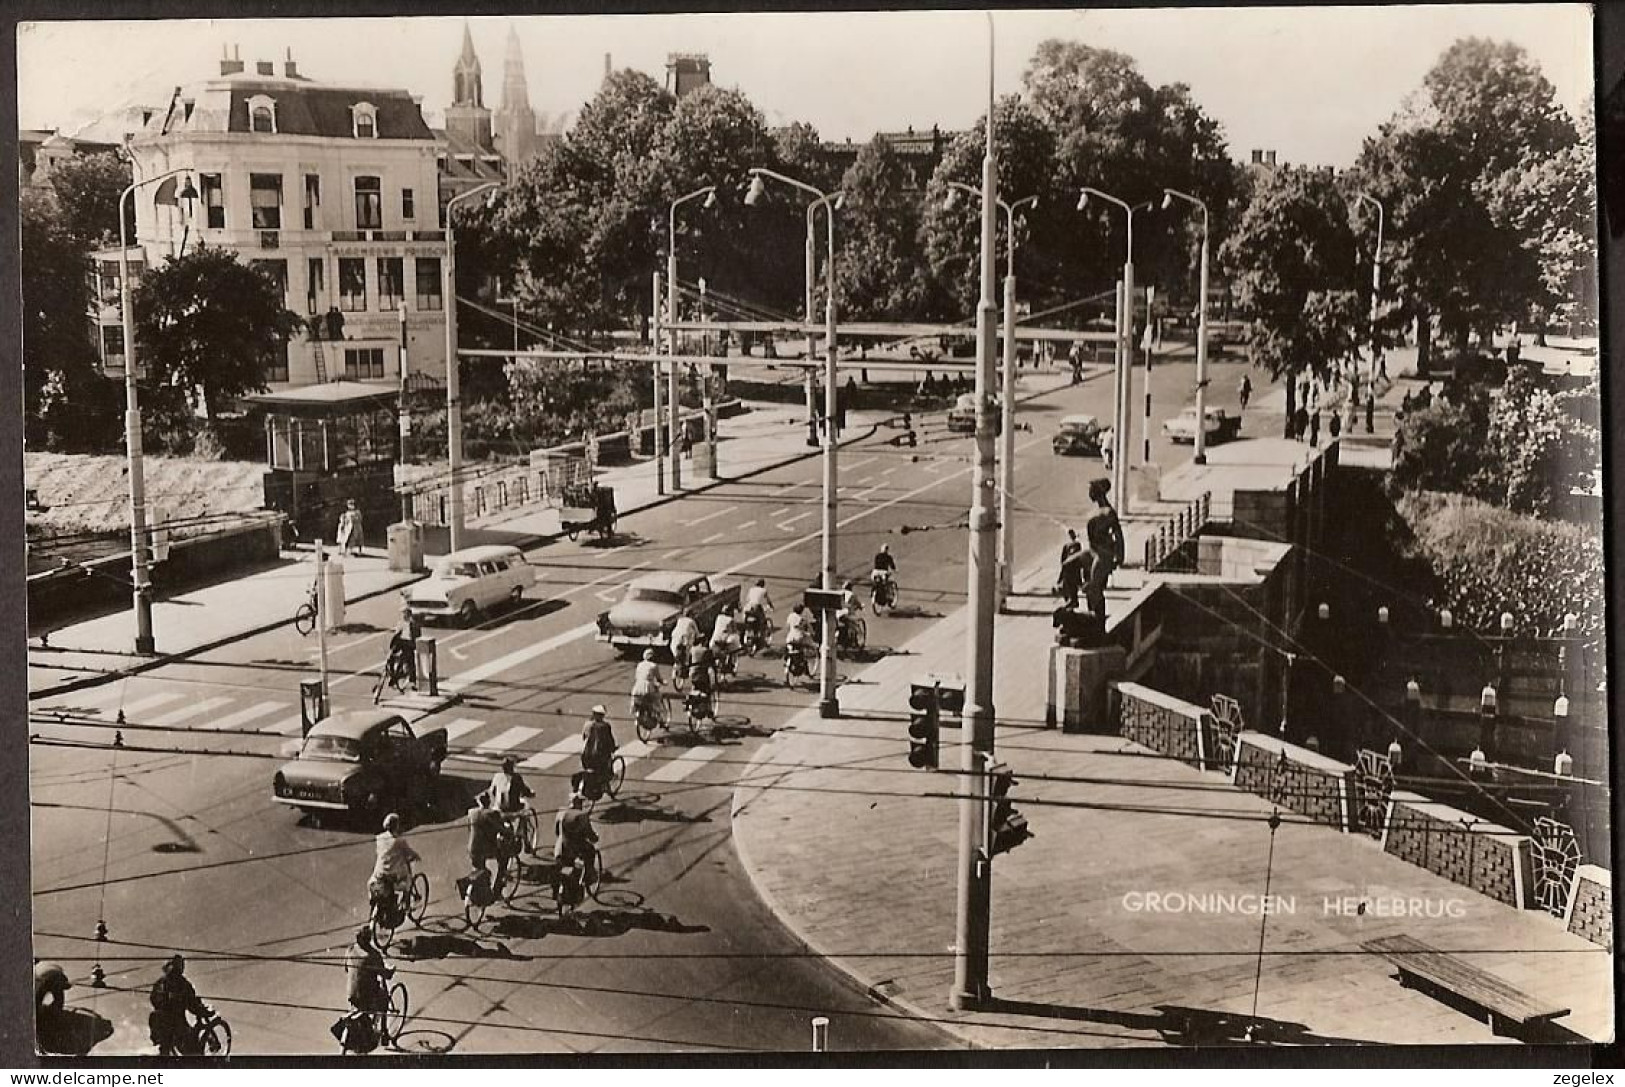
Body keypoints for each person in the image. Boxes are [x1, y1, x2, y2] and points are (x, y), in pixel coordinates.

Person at [149, 955, 211, 1056]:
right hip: (177, 1023)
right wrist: (204, 1012)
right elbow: (192, 1004)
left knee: (166, 1048)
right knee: (193, 1051)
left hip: (159, 1021)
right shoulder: (182, 983)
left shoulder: (160, 982)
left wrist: (164, 1005)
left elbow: (153, 999)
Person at [368, 813, 420, 927]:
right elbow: (408, 852)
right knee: (407, 882)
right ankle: (406, 906)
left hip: (378, 874)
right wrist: (416, 856)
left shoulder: (379, 838)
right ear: (396, 826)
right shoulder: (400, 841)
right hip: (391, 876)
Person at [1083, 478, 1124, 620]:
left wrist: (1119, 556)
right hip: (1092, 552)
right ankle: (1090, 614)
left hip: (1102, 554)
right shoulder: (1096, 510)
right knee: (1070, 565)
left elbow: (1118, 535)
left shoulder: (1108, 512)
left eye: (1091, 490)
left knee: (1094, 588)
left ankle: (1098, 620)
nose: (1089, 493)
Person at [343, 927, 392, 1046]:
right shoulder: (373, 955)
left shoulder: (350, 949)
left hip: (351, 994)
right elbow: (386, 975)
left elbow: (346, 968)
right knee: (384, 999)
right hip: (367, 997)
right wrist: (391, 970)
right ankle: (385, 1032)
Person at [465, 791, 510, 901]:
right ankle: (497, 891)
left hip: (472, 848)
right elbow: (500, 829)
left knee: (479, 869)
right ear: (489, 801)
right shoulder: (491, 813)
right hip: (486, 848)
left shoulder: (471, 812)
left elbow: (469, 829)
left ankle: (480, 891)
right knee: (503, 860)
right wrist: (508, 832)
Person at [553, 792, 600, 892]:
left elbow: (557, 832)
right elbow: (590, 834)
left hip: (561, 847)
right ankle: (588, 875)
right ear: (579, 803)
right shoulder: (582, 816)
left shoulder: (561, 812)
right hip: (576, 848)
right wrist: (595, 838)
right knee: (591, 851)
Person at [580, 705, 617, 792]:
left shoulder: (587, 724)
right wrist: (613, 748)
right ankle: (606, 783)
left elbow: (584, 737)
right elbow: (609, 740)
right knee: (607, 762)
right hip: (598, 756)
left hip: (586, 755)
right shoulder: (605, 726)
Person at [630, 647, 665, 723]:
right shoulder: (653, 665)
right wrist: (663, 682)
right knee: (656, 700)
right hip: (647, 688)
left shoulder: (639, 665)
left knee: (637, 701)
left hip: (637, 687)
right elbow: (658, 678)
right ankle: (660, 719)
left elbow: (636, 676)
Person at [669, 611, 700, 687]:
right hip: (684, 641)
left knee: (676, 657)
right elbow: (697, 632)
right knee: (687, 657)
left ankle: (675, 670)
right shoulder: (691, 621)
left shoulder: (680, 620)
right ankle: (685, 670)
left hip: (675, 640)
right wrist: (698, 636)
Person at [1056, 529, 1085, 609]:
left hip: (1071, 571)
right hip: (1071, 571)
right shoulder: (1072, 545)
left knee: (1070, 588)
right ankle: (1072, 602)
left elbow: (1064, 561)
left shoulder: (1073, 545)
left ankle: (1072, 602)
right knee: (1070, 588)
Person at [742, 579, 774, 646]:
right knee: (762, 620)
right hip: (756, 607)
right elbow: (768, 600)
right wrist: (771, 606)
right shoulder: (763, 590)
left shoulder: (751, 589)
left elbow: (747, 599)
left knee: (746, 623)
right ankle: (761, 635)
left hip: (747, 607)